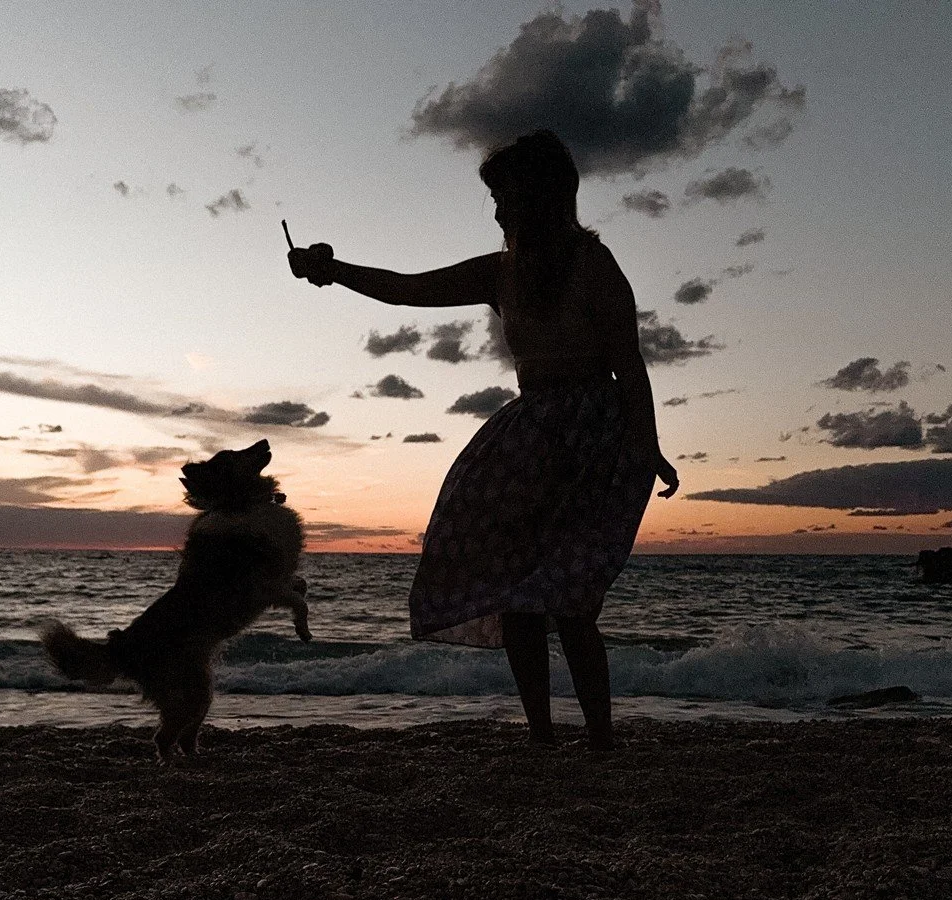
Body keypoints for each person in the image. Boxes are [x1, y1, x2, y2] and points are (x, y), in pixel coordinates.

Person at [288, 129, 679, 750]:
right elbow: (410, 289)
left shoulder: (593, 265)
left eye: (504, 197)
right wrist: (332, 271)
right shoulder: (502, 273)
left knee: (572, 603)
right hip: (532, 435)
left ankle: (601, 737)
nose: (497, 212)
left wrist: (646, 444)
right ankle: (542, 736)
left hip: (591, 439)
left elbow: (628, 362)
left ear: (541, 197)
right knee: (516, 595)